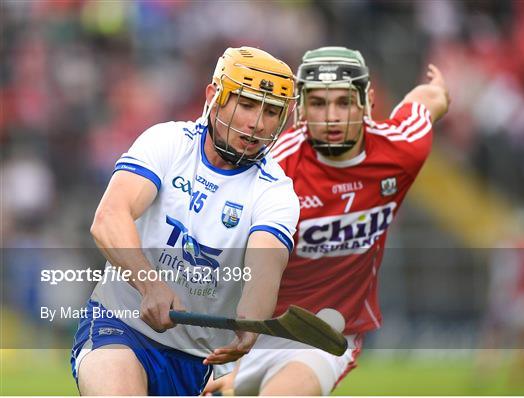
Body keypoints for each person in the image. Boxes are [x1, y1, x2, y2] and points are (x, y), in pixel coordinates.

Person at [203, 46, 450, 395]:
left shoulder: (401, 149)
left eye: (344, 102)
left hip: (326, 334)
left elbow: (427, 101)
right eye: (318, 103)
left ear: (367, 101)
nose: (331, 116)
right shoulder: (273, 167)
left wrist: (437, 87)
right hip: (247, 328)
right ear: (300, 108)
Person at [70, 46, 300, 396]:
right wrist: (151, 285)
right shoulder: (168, 142)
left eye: (271, 112)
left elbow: (264, 270)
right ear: (214, 97)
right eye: (248, 104)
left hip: (207, 361)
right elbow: (109, 218)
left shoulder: (276, 192)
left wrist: (252, 324)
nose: (257, 123)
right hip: (120, 328)